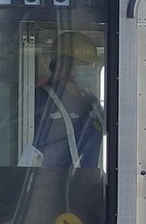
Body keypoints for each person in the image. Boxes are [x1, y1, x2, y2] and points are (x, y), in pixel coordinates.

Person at [27, 29, 105, 169]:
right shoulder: (39, 100)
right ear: (63, 64)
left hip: (92, 185)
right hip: (53, 185)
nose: (90, 69)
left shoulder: (91, 102)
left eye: (92, 65)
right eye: (84, 63)